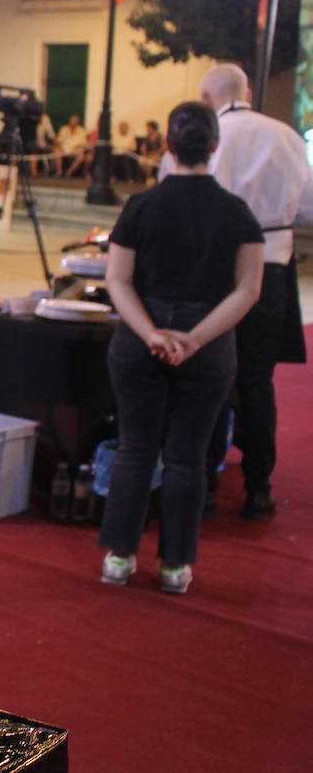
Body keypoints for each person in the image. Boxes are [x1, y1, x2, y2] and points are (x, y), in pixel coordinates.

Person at [98, 101, 264, 594]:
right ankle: (175, 567)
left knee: (135, 449)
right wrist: (195, 338)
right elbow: (248, 289)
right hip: (208, 346)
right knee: (189, 456)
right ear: (214, 146)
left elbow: (117, 280)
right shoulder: (237, 212)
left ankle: (120, 558)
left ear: (167, 145)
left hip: (139, 339)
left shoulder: (141, 206)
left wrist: (151, 333)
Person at [189, 64, 312, 520]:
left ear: (206, 95)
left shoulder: (207, 135)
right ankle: (258, 488)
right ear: (250, 91)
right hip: (271, 270)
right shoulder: (287, 136)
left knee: (209, 378)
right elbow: (307, 208)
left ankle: (202, 486)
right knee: (257, 381)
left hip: (213, 271)